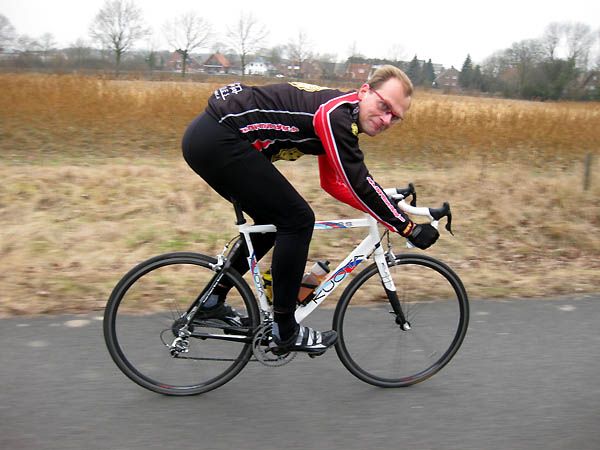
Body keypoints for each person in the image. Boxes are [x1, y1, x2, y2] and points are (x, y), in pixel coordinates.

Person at [182, 65, 439, 355]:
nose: (386, 119)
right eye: (384, 106)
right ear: (364, 92)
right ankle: (285, 330)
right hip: (219, 138)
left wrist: (384, 206)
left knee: (273, 222)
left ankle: (212, 302)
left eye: (395, 117)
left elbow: (334, 184)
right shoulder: (335, 117)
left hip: (212, 138)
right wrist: (407, 227)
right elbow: (359, 183)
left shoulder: (341, 118)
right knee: (298, 220)